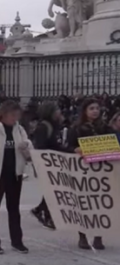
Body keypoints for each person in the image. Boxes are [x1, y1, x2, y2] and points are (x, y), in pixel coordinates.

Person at [0, 100, 32, 254]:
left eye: (17, 115)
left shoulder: (19, 130)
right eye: (12, 115)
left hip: (15, 174)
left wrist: (26, 148)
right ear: (3, 114)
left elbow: (29, 153)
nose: (15, 118)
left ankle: (17, 241)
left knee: (14, 209)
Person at [67, 98, 110, 250]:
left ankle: (98, 236)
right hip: (83, 171)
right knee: (84, 204)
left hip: (101, 171)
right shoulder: (76, 129)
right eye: (91, 108)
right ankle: (83, 236)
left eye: (97, 108)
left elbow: (114, 144)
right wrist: (75, 150)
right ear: (85, 111)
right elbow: (68, 147)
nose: (95, 111)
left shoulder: (105, 127)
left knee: (100, 204)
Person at [30, 102, 66, 230]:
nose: (59, 112)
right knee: (52, 190)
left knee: (53, 189)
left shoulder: (54, 125)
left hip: (54, 162)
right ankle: (48, 216)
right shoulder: (44, 127)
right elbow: (41, 146)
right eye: (57, 110)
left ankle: (40, 209)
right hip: (46, 163)